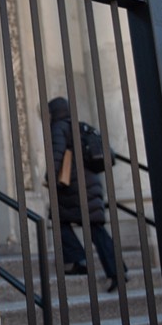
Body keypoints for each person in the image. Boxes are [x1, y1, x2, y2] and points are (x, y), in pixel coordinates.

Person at [48, 97, 125, 293]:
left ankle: (79, 260)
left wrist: (50, 177)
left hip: (73, 187)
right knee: (95, 229)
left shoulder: (59, 127)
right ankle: (116, 270)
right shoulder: (80, 128)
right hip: (91, 185)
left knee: (57, 220)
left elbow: (56, 155)